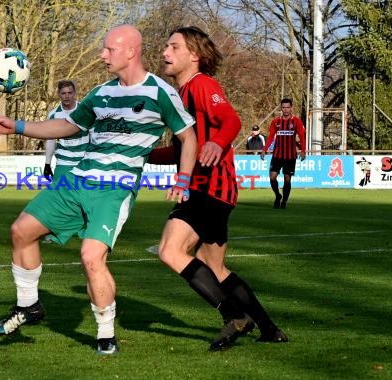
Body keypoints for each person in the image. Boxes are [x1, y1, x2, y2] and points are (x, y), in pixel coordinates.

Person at [0, 24, 198, 355]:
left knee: (91, 257)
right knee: (21, 231)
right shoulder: (101, 93)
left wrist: (182, 179)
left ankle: (105, 333)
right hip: (76, 180)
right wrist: (19, 126)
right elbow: (68, 126)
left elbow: (188, 137)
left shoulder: (159, 93)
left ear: (131, 51)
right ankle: (29, 306)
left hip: (114, 190)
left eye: (109, 49)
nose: (103, 54)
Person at [152, 25, 287, 351]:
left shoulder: (202, 84)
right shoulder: (179, 96)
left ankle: (234, 315)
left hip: (208, 186)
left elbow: (231, 120)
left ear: (194, 55)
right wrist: (141, 154)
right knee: (213, 266)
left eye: (174, 47)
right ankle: (268, 329)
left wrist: (217, 141)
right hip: (216, 189)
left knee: (170, 251)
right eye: (166, 47)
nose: (165, 52)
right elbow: (180, 150)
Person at [260, 98, 306, 209]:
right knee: (272, 177)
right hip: (277, 154)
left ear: (291, 108)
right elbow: (271, 137)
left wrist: (303, 150)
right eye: (283, 107)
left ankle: (284, 201)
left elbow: (302, 136)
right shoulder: (276, 122)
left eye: (288, 107)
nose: (285, 109)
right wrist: (264, 149)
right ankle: (277, 196)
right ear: (281, 108)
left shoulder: (296, 121)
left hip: (290, 156)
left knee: (287, 179)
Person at [43, 80, 87, 181]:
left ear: (74, 93)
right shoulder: (53, 115)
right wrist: (47, 164)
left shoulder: (85, 110)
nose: (67, 96)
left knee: (83, 196)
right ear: (59, 94)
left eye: (70, 93)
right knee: (58, 195)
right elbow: (50, 140)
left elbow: (94, 136)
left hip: (83, 162)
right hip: (63, 164)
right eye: (63, 93)